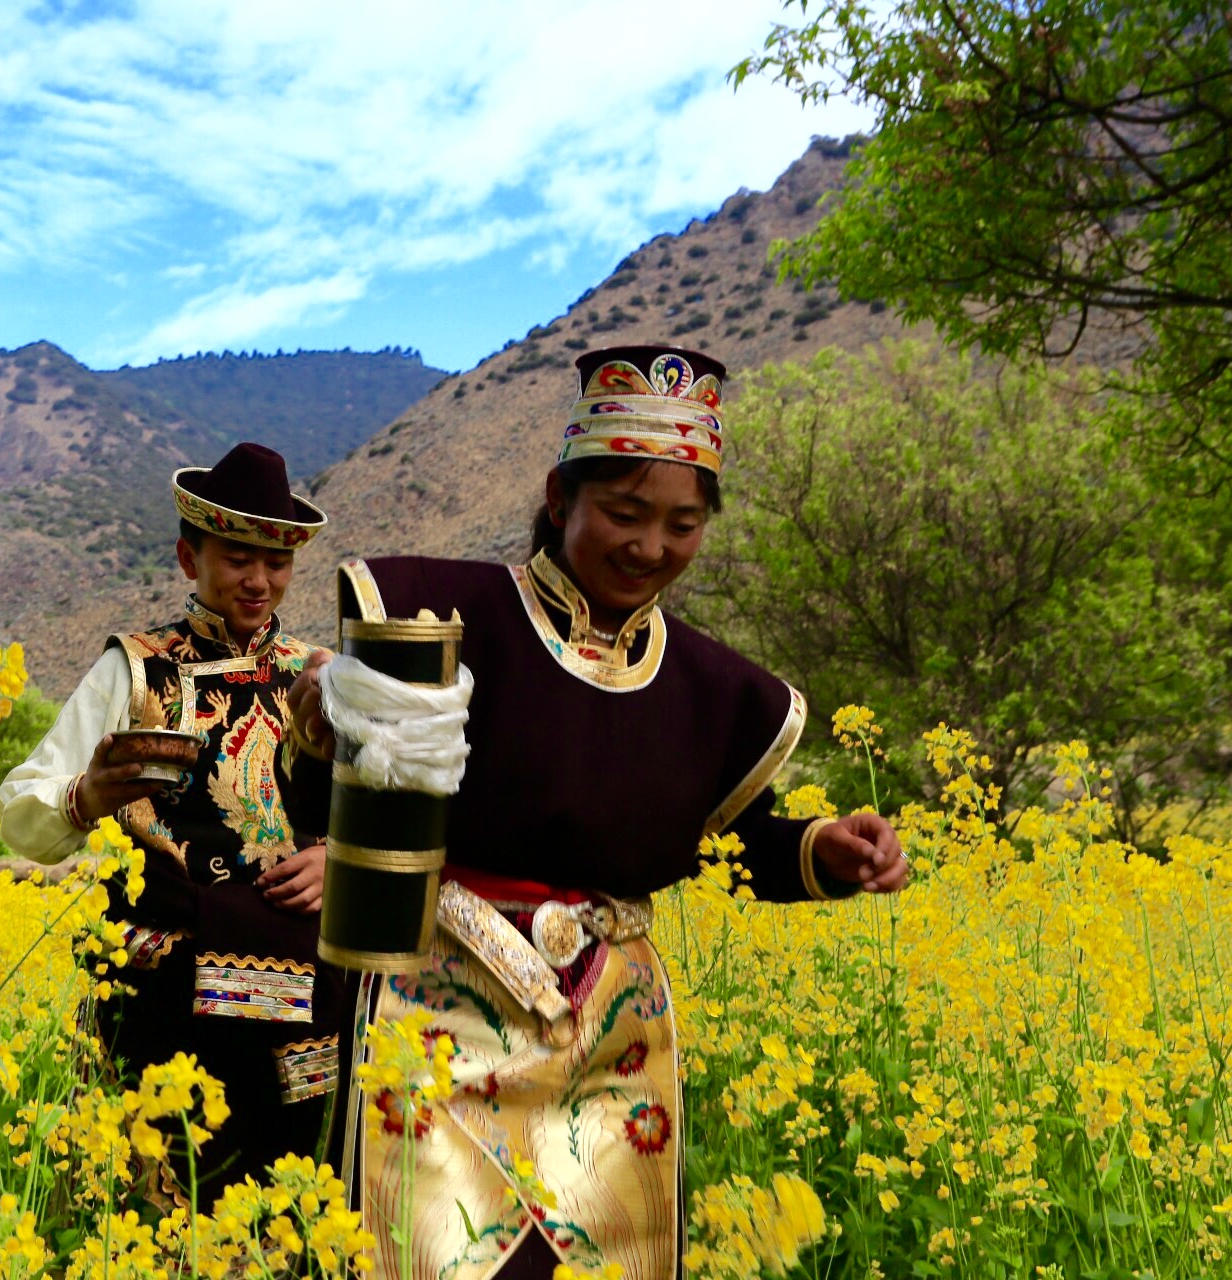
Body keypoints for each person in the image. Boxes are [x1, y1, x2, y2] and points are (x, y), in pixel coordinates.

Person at [284, 346, 910, 1280]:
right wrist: (328, 705)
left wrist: (826, 848)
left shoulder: (716, 690)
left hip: (612, 1031)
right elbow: (318, 777)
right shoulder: (447, 617)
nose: (650, 547)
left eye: (682, 525)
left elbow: (734, 846)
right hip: (439, 1005)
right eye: (623, 513)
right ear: (558, 497)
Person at [0, 441, 342, 1201]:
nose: (259, 580)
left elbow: (389, 819)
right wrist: (86, 798)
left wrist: (338, 862)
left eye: (276, 561)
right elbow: (22, 807)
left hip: (301, 1001)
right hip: (160, 1000)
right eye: (237, 557)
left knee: (289, 1206)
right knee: (155, 1211)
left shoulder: (323, 675)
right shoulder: (134, 670)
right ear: (190, 558)